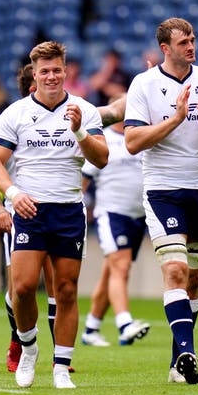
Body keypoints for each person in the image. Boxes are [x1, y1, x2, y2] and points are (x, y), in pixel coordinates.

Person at [0, 41, 108, 389]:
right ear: (35, 75)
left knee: (67, 289)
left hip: (69, 210)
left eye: (57, 69)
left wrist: (80, 131)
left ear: (66, 71)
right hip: (30, 208)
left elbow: (101, 158)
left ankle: (61, 366)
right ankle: (28, 348)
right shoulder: (16, 113)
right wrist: (12, 193)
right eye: (45, 71)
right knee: (23, 288)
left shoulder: (84, 110)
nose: (52, 76)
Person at [124, 17, 198, 385]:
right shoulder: (145, 84)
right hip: (163, 188)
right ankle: (188, 351)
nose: (191, 45)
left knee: (193, 282)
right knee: (174, 271)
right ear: (165, 49)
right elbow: (133, 142)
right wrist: (175, 118)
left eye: (193, 39)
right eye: (183, 41)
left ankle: (177, 363)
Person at [0, 63, 68, 374]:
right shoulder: (10, 119)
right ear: (31, 88)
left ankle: (60, 355)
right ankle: (20, 339)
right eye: (40, 80)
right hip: (20, 211)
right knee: (20, 287)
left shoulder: (65, 115)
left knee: (59, 283)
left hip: (56, 208)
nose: (49, 83)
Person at [80, 120, 150, 347]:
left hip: (138, 215)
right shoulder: (103, 138)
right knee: (121, 265)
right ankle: (124, 323)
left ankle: (92, 327)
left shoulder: (140, 136)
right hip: (111, 213)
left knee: (112, 271)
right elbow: (85, 176)